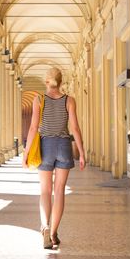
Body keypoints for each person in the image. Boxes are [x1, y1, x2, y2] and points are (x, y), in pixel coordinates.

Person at [22, 67, 86, 249]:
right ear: (61, 81)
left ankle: (45, 226)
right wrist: (81, 152)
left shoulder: (39, 100)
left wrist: (26, 154)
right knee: (59, 191)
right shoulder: (69, 100)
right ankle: (53, 234)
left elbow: (33, 128)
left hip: (45, 146)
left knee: (44, 191)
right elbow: (75, 128)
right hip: (64, 146)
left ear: (46, 82)